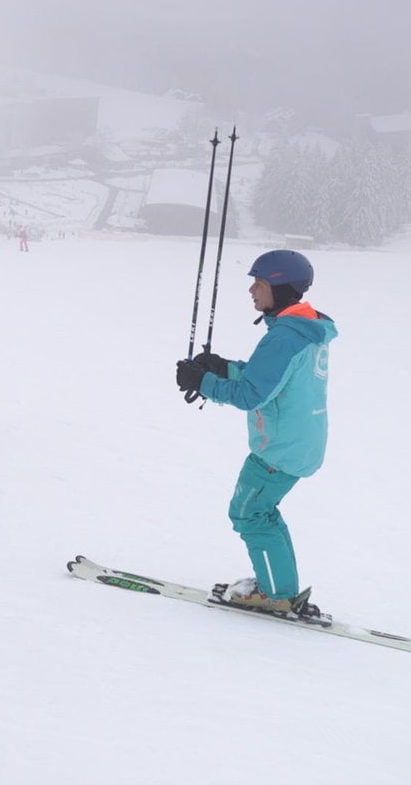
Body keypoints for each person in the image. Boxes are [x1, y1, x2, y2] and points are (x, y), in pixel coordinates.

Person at [174, 249, 338, 615]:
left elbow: (253, 394)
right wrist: (222, 368)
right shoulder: (303, 329)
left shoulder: (285, 337)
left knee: (249, 514)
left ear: (279, 289)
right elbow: (272, 377)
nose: (251, 290)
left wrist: (204, 382)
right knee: (260, 511)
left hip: (279, 449)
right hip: (299, 442)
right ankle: (280, 586)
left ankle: (277, 593)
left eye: (259, 283)